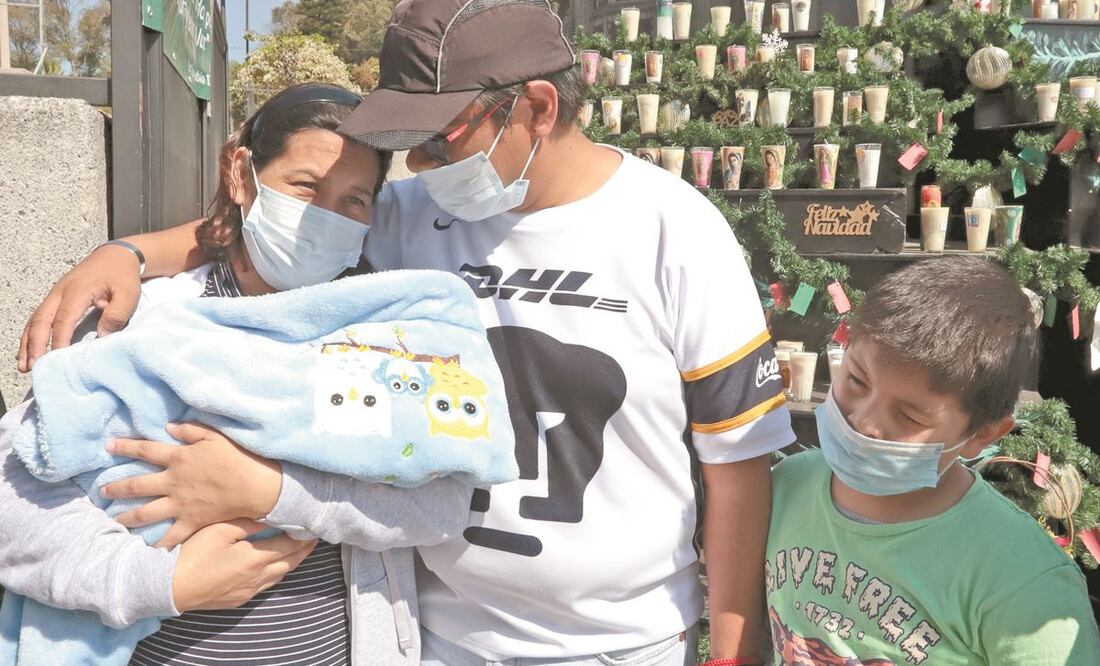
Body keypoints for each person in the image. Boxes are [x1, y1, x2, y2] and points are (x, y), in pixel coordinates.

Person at [16, 1, 795, 664]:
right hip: (437, 635)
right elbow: (284, 226)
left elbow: (737, 466)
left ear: (535, 108)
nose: (418, 163)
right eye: (406, 144)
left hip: (622, 642)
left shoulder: (675, 230)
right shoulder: (413, 214)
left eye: (439, 138)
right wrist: (127, 254)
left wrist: (731, 650)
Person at [0, 82, 475, 666]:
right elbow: (16, 492)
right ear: (241, 175)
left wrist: (273, 490)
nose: (324, 216)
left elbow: (440, 505)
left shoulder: (385, 340)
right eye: (305, 186)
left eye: (354, 200)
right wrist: (155, 583)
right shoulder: (137, 320)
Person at [765, 256, 1100, 665]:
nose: (864, 422)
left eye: (910, 416)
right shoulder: (784, 488)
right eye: (855, 380)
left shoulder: (1023, 582)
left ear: (983, 434)